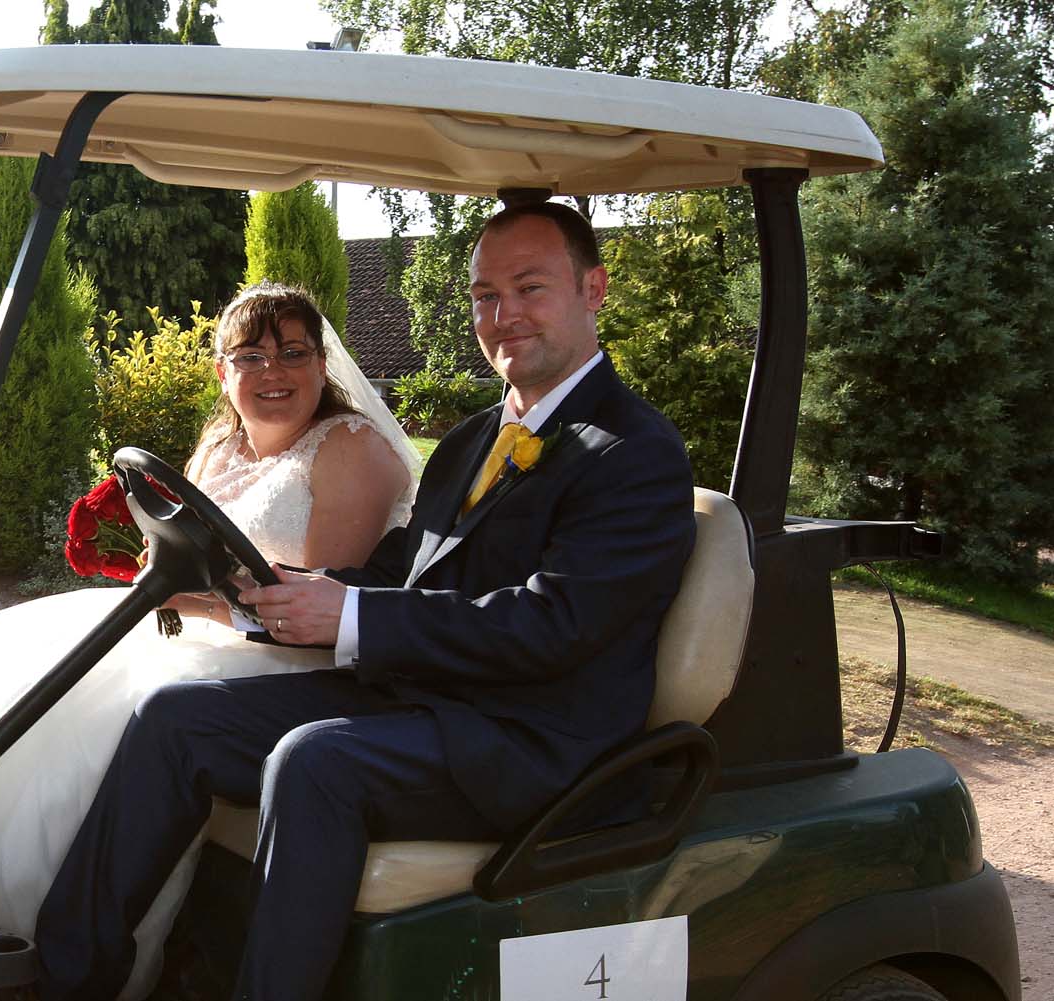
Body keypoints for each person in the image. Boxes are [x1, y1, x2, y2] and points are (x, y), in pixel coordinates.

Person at [34, 201, 698, 1001]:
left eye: (530, 288)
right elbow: (396, 575)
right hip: (428, 704)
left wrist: (352, 618)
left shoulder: (635, 452)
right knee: (174, 719)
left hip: (535, 742)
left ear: (594, 288)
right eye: (486, 295)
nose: (504, 315)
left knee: (314, 761)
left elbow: (556, 624)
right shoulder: (469, 441)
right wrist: (259, 598)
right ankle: (65, 979)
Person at [0, 283, 417, 1001]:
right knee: (2, 656)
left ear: (323, 366)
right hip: (209, 631)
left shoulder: (352, 451)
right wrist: (171, 588)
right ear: (221, 371)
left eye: (295, 353)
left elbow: (312, 617)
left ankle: (50, 953)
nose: (274, 372)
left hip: (290, 661)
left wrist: (190, 601)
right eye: (252, 355)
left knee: (106, 704)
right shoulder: (221, 445)